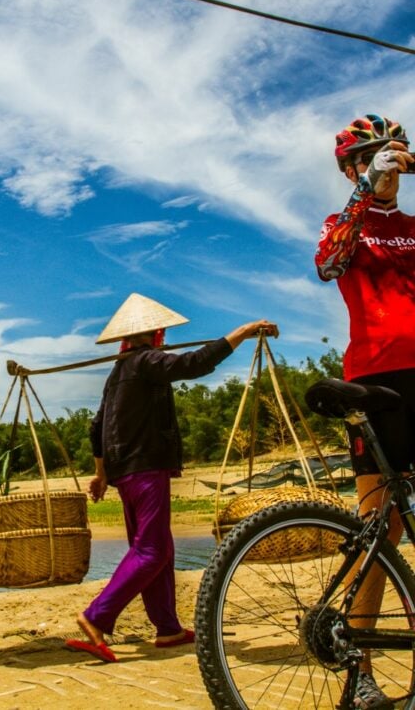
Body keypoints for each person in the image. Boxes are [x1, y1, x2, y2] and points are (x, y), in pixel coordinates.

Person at [65, 292, 278, 663]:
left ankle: (167, 628)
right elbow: (194, 364)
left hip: (125, 474)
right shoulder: (146, 361)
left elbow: (97, 427)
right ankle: (96, 617)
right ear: (156, 333)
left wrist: (101, 475)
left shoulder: (118, 372)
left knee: (158, 548)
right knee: (153, 550)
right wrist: (243, 332)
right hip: (145, 469)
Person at [315, 113, 415, 709]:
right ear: (353, 166)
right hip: (377, 379)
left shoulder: (412, 227)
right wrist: (364, 190)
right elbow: (328, 265)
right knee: (381, 526)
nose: (388, 162)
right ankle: (361, 672)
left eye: (393, 151)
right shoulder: (343, 222)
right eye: (373, 155)